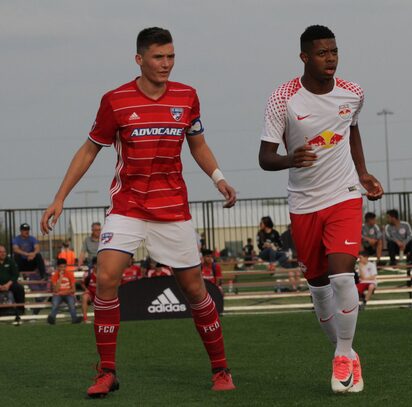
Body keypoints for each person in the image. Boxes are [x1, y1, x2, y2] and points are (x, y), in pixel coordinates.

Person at [40, 27, 236, 397]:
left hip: (172, 209)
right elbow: (88, 150)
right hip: (127, 207)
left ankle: (221, 368)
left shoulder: (187, 95)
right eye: (159, 57)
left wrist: (219, 178)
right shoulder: (114, 101)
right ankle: (107, 371)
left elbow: (199, 145)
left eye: (171, 56)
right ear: (139, 59)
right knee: (106, 276)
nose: (166, 64)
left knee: (194, 289)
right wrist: (60, 196)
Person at [258, 25, 383, 393]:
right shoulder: (284, 98)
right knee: (317, 285)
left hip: (344, 195)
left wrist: (362, 173)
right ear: (304, 57)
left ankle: (343, 354)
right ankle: (346, 352)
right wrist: (289, 159)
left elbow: (352, 129)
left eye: (334, 52)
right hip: (303, 203)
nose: (330, 58)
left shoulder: (353, 93)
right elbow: (265, 157)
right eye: (322, 53)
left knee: (342, 274)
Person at [47, 258, 82, 325]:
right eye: (61, 267)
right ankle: (52, 319)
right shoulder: (54, 276)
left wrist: (63, 292)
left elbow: (73, 289)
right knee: (55, 304)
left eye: (64, 267)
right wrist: (60, 277)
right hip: (58, 294)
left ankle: (74, 319)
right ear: (57, 267)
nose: (62, 269)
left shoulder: (70, 274)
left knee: (71, 303)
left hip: (68, 294)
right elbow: (55, 290)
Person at [0, 244, 25, 320]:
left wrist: (8, 284)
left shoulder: (10, 261)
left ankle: (20, 310)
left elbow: (15, 274)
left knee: (19, 288)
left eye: (4, 251)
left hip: (9, 284)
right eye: (0, 252)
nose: (3, 253)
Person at [81, 257, 98, 324]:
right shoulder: (88, 273)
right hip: (90, 293)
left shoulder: (103, 273)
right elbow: (82, 283)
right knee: (84, 297)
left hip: (100, 294)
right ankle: (85, 319)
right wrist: (86, 289)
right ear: (94, 265)